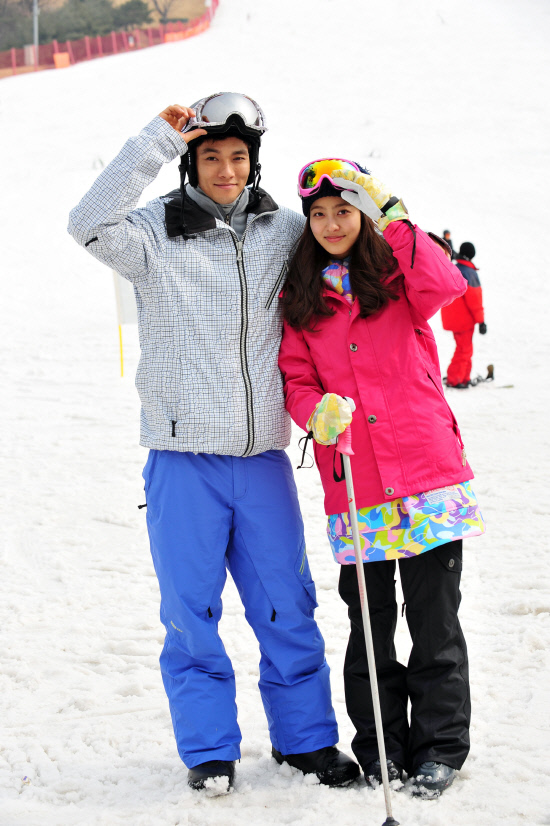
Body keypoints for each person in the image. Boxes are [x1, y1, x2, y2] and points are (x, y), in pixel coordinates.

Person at [68, 95, 358, 794]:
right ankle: (210, 751)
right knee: (191, 613)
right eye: (210, 157)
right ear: (191, 162)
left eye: (237, 156)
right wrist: (156, 140)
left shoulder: (287, 231)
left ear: (253, 162)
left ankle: (306, 742)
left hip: (261, 459)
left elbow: (354, 241)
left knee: (287, 605)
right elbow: (86, 223)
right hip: (182, 459)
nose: (225, 169)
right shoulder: (152, 233)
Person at [278, 159, 485, 797]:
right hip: (357, 484)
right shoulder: (302, 298)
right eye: (319, 214)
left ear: (364, 214)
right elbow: (296, 377)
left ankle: (440, 747)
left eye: (344, 211)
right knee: (370, 629)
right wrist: (314, 410)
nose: (331, 224)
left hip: (426, 476)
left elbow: (446, 283)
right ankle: (381, 748)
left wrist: (393, 215)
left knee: (434, 621)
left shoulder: (398, 275)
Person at [441, 241, 486, 388]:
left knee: (465, 348)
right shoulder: (469, 273)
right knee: (464, 350)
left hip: (452, 317)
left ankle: (464, 377)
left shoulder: (453, 268)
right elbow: (475, 301)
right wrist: (481, 321)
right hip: (464, 320)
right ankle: (455, 379)